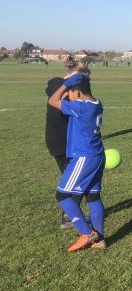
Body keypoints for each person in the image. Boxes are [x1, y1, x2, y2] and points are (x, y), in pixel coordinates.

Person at [47, 72, 107, 252]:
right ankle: (100, 240)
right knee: (93, 196)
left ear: (77, 93)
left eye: (70, 94)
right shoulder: (97, 104)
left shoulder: (80, 107)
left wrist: (65, 85)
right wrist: (72, 85)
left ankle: (86, 233)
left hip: (84, 156)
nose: (68, 97)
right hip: (97, 155)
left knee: (63, 195)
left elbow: (53, 101)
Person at [45, 59, 89, 229]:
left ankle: (70, 215)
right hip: (62, 144)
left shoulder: (69, 90)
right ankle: (68, 217)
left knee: (78, 180)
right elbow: (56, 94)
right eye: (81, 79)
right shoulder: (58, 85)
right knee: (76, 181)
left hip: (67, 143)